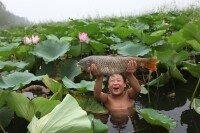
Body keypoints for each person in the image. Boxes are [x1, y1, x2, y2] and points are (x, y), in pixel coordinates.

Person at [88, 60, 141, 132]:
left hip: (128, 123)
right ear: (108, 86)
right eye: (112, 81)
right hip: (111, 125)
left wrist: (129, 75)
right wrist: (99, 77)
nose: (115, 83)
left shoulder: (128, 95)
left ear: (124, 84)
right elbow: (97, 95)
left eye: (118, 80)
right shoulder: (107, 98)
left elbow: (137, 89)